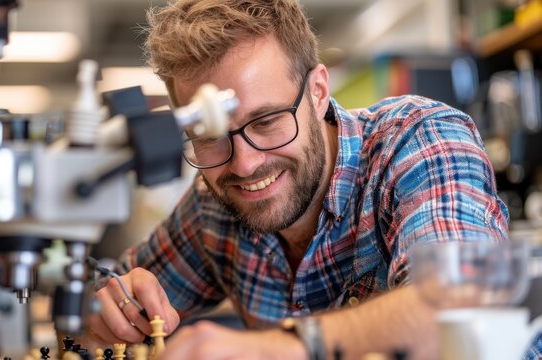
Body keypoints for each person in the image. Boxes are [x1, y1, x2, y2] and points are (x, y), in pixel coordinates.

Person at [87, 0, 513, 359]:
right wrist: (103, 306)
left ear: (318, 91)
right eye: (210, 137)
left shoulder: (419, 138)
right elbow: (104, 298)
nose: (245, 165)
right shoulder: (212, 206)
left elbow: (466, 301)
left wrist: (278, 348)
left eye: (268, 120)